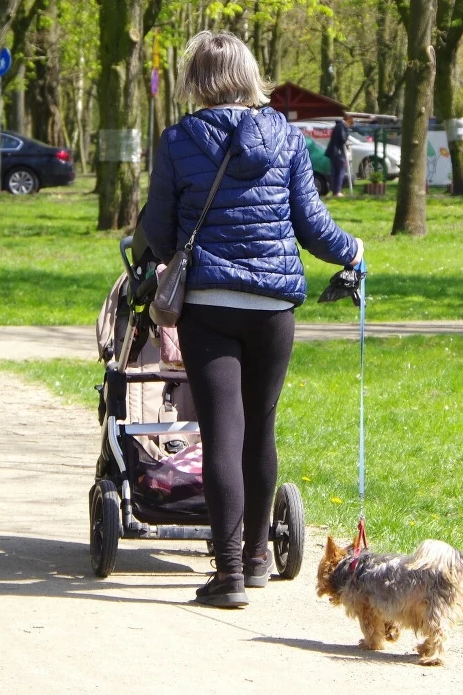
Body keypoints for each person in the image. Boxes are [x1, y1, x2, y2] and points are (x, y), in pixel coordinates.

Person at [142, 31, 364, 609]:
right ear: (249, 74)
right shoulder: (284, 136)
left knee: (222, 433)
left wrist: (153, 247)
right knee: (260, 429)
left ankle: (230, 573)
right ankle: (261, 556)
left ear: (196, 79)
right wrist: (352, 251)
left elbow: (161, 232)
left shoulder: (177, 139)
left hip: (209, 305)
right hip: (273, 309)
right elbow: (313, 226)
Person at [325, 114, 353, 196]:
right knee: (340, 171)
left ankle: (334, 190)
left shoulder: (337, 126)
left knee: (334, 172)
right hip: (339, 153)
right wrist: (347, 133)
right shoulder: (342, 127)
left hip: (333, 153)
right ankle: (337, 191)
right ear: (348, 121)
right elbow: (343, 139)